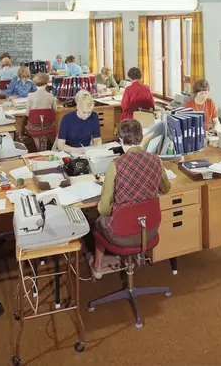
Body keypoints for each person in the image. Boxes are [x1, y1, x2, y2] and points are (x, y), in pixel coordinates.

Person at [91, 119, 171, 278]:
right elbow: (166, 188)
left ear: (120, 140)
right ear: (142, 138)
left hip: (121, 234)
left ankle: (97, 267)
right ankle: (127, 260)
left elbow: (104, 208)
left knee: (98, 220)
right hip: (149, 230)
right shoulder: (156, 160)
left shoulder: (116, 165)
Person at [56, 90, 102, 154]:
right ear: (77, 107)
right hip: (69, 152)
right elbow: (60, 145)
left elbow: (97, 139)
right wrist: (75, 150)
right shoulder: (67, 119)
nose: (86, 116)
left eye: (89, 112)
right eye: (84, 112)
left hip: (86, 151)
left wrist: (97, 149)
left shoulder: (94, 116)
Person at [26, 72, 58, 151]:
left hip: (34, 127)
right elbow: (55, 110)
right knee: (44, 137)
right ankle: (43, 149)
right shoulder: (51, 96)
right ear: (47, 83)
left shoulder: (30, 96)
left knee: (37, 137)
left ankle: (40, 149)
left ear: (34, 83)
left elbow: (27, 114)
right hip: (47, 126)